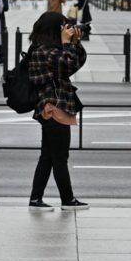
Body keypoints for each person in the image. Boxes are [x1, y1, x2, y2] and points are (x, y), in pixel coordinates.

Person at [27, 11, 87, 210]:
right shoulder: (44, 51)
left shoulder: (48, 49)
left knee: (48, 156)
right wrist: (67, 44)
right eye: (63, 26)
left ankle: (36, 199)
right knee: (59, 158)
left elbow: (76, 63)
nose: (66, 29)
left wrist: (75, 43)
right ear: (55, 29)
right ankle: (67, 200)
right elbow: (66, 67)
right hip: (54, 108)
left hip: (53, 107)